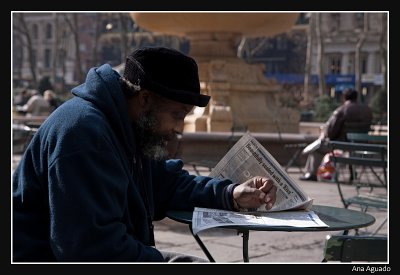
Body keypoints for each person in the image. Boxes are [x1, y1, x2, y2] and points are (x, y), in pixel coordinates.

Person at [13, 46, 277, 262]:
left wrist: (230, 194)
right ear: (146, 99)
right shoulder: (84, 134)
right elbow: (91, 251)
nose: (179, 128)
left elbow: (166, 183)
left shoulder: (127, 127)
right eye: (177, 115)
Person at [299, 88, 373, 181]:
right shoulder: (367, 110)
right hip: (361, 144)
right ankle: (352, 173)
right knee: (350, 150)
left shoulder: (342, 110)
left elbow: (331, 132)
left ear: (344, 98)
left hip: (342, 144)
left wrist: (325, 135)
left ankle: (311, 174)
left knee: (316, 149)